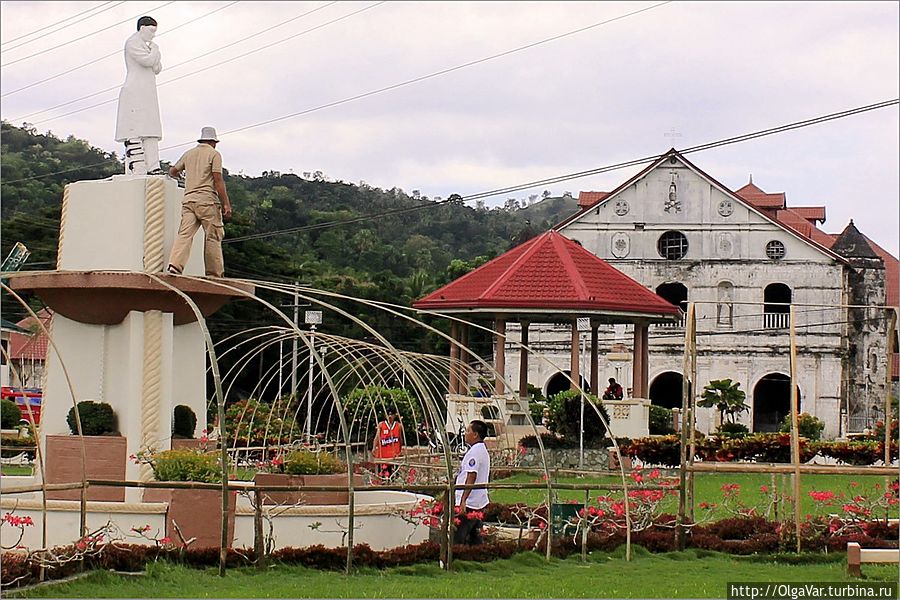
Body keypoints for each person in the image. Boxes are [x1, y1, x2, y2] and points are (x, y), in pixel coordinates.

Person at [165, 127, 233, 277]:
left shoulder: (189, 154)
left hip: (189, 200)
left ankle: (175, 266)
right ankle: (214, 273)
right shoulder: (214, 154)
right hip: (207, 201)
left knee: (184, 234)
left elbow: (173, 171)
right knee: (213, 235)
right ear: (213, 142)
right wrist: (226, 203)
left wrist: (182, 175)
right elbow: (217, 179)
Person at [115, 16, 163, 175]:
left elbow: (157, 68)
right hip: (135, 91)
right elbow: (148, 61)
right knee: (134, 130)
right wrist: (155, 51)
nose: (153, 35)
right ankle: (138, 166)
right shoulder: (133, 43)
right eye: (151, 31)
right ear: (142, 28)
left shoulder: (146, 45)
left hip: (148, 91)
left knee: (151, 129)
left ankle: (153, 166)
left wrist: (154, 52)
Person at [453, 419, 490, 546]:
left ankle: (453, 560)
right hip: (478, 501)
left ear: (475, 434)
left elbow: (471, 476)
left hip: (470, 503)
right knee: (475, 538)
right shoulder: (481, 450)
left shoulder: (475, 452)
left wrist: (463, 500)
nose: (465, 433)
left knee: (458, 536)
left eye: (468, 431)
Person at [372, 407, 404, 477]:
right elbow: (377, 438)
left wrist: (400, 450)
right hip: (383, 455)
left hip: (394, 456)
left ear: (394, 415)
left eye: (391, 414)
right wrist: (374, 448)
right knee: (382, 475)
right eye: (388, 414)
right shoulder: (381, 425)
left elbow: (400, 439)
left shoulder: (398, 426)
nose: (389, 416)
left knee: (393, 476)